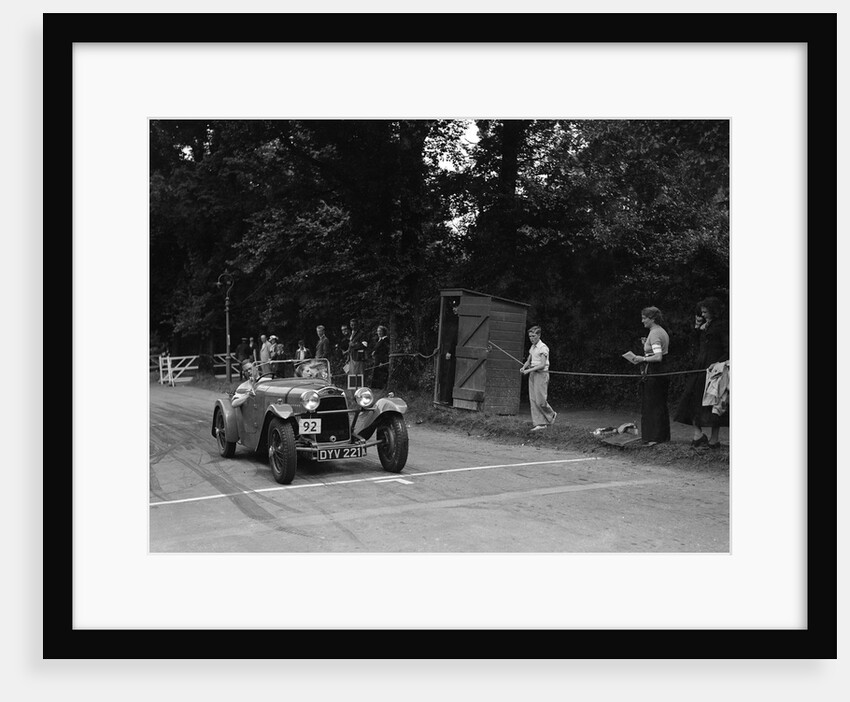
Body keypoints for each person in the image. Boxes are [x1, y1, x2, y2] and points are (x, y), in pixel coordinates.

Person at [673, 297, 729, 448]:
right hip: (700, 367)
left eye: (705, 311)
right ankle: (698, 434)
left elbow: (729, 348)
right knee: (690, 398)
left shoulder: (722, 326)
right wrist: (697, 327)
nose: (703, 314)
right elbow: (695, 344)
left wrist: (718, 363)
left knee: (714, 403)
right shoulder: (705, 325)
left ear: (713, 310)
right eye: (702, 312)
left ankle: (714, 439)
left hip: (714, 369)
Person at [629, 306, 671, 445]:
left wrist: (642, 358)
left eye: (644, 318)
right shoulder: (658, 331)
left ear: (652, 319)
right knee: (658, 403)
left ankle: (654, 437)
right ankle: (661, 436)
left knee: (652, 404)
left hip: (655, 371)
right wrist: (646, 345)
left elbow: (658, 356)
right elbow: (656, 350)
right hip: (660, 371)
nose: (642, 321)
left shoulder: (655, 333)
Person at [520, 325, 557, 432]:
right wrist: (524, 367)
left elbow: (542, 364)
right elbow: (529, 360)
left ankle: (551, 414)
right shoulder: (532, 347)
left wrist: (528, 371)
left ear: (539, 335)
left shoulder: (543, 347)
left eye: (534, 336)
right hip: (533, 374)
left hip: (541, 374)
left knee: (540, 400)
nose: (531, 338)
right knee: (533, 399)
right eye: (530, 336)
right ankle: (540, 423)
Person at [439, 298, 460, 404]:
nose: (454, 309)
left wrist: (450, 351)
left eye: (456, 307)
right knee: (450, 375)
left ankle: (449, 400)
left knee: (452, 375)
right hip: (455, 351)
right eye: (453, 307)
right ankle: (448, 399)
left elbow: (455, 338)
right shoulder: (456, 320)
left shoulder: (461, 321)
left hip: (456, 352)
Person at [348, 318, 369, 385]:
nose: (353, 326)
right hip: (351, 356)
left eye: (354, 325)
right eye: (352, 325)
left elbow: (365, 345)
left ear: (357, 325)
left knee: (359, 373)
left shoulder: (361, 333)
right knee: (352, 373)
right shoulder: (350, 333)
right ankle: (353, 390)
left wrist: (354, 345)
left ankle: (360, 390)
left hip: (359, 357)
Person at [370, 325, 390, 390]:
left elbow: (384, 352)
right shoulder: (379, 340)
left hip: (382, 359)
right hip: (377, 359)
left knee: (381, 373)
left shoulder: (385, 340)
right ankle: (376, 388)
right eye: (378, 331)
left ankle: (381, 388)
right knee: (376, 372)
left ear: (383, 332)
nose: (379, 333)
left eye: (380, 331)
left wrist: (382, 361)